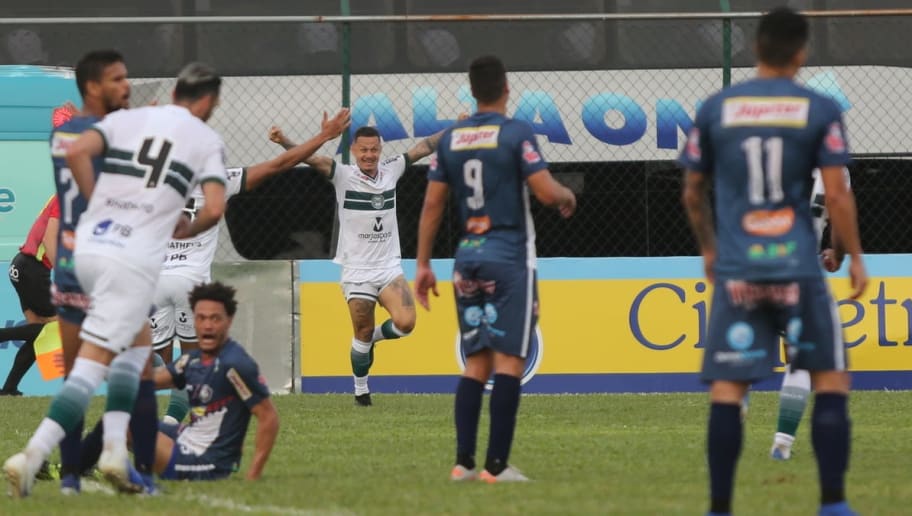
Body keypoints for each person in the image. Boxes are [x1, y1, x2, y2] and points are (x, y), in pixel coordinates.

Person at [3, 61, 229, 499]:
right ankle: (54, 455)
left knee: (117, 360)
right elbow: (215, 209)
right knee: (113, 366)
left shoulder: (130, 121)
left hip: (84, 253)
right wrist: (185, 227)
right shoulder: (201, 139)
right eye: (118, 80)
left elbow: (73, 151)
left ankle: (80, 466)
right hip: (130, 256)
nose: (126, 87)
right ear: (208, 101)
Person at [678, 7, 866, 516]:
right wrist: (854, 257)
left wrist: (711, 248)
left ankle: (720, 506)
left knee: (727, 387)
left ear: (756, 47)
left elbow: (693, 190)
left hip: (739, 267)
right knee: (829, 376)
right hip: (798, 267)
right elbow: (838, 194)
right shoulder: (820, 108)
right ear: (801, 52)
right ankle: (833, 504)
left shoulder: (717, 107)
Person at [415, 55, 576, 483]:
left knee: (477, 362)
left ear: (472, 91)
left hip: (466, 257)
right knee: (509, 361)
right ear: (506, 87)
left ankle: (462, 463)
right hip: (508, 258)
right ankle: (495, 468)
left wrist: (423, 263)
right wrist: (566, 194)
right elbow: (543, 191)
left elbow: (432, 205)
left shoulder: (451, 139)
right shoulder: (516, 133)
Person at [269, 119, 449, 406]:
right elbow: (310, 157)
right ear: (353, 150)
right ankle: (361, 390)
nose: (369, 155)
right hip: (357, 273)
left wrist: (459, 127)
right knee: (361, 331)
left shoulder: (392, 169)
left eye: (374, 150)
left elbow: (423, 147)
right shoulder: (342, 175)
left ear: (380, 150)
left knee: (406, 323)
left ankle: (372, 340)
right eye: (363, 150)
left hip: (388, 268)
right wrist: (285, 141)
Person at [152, 108, 351, 367]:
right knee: (193, 363)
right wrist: (323, 136)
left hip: (154, 281)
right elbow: (278, 165)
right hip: (191, 282)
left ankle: (150, 405)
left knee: (157, 359)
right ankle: (186, 406)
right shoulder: (216, 181)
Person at [149, 281, 279, 480]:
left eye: (215, 319)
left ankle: (135, 480)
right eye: (201, 318)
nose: (207, 326)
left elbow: (268, 417)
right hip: (188, 438)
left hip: (208, 462)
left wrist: (253, 474)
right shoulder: (194, 359)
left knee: (130, 429)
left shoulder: (234, 364)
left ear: (229, 320)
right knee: (122, 423)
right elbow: (151, 381)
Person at [770, 166, 851, 461]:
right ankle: (782, 441)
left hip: (747, 260)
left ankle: (734, 407)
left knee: (741, 357)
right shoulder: (833, 166)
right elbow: (838, 206)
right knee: (801, 360)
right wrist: (838, 252)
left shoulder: (758, 148)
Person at [0, 195, 59, 395]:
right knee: (57, 327)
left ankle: (8, 389)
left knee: (38, 334)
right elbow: (49, 239)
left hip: (21, 266)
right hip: (32, 269)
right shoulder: (66, 197)